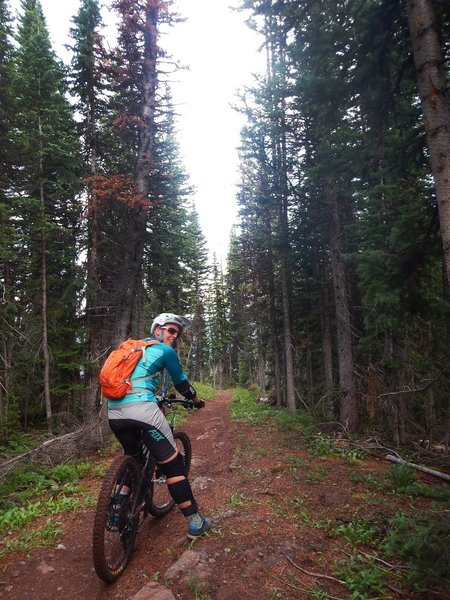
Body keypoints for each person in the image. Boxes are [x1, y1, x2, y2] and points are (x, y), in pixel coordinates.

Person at [107, 312, 211, 539]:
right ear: (158, 330)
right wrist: (196, 401)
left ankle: (117, 510)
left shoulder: (133, 348)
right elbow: (181, 382)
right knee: (173, 466)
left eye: (177, 333)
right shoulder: (165, 351)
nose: (174, 336)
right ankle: (195, 523)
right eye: (171, 330)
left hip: (114, 413)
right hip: (142, 410)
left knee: (132, 457)